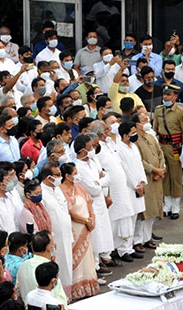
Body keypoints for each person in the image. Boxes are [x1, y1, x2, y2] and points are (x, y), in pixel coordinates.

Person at [71, 134, 112, 273]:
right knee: (94, 235)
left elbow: (106, 176)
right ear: (82, 151)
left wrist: (99, 181)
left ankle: (101, 259)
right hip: (91, 204)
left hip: (100, 202)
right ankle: (94, 266)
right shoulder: (78, 167)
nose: (93, 150)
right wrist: (100, 181)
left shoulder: (92, 161)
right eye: (89, 147)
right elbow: (93, 189)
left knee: (102, 231)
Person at [57, 162, 99, 298]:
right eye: (75, 173)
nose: (77, 175)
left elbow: (89, 204)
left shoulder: (80, 188)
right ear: (67, 176)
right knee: (75, 257)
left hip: (86, 228)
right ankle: (75, 289)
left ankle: (88, 286)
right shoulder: (61, 191)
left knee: (87, 257)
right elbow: (70, 212)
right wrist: (85, 221)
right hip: (75, 227)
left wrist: (92, 218)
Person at [98, 116, 136, 263]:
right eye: (106, 129)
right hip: (111, 190)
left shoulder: (110, 144)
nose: (108, 131)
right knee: (112, 222)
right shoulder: (99, 148)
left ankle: (122, 248)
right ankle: (108, 252)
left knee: (123, 218)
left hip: (122, 188)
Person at [37, 165, 73, 297]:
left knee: (67, 263)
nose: (60, 177)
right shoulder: (42, 192)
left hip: (66, 233)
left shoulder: (57, 188)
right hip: (54, 237)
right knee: (58, 265)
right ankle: (58, 294)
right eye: (57, 175)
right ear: (48, 178)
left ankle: (68, 294)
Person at [114, 122, 146, 260]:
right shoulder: (119, 149)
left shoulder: (134, 146)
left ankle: (130, 246)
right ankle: (123, 249)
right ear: (125, 135)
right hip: (128, 188)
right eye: (132, 132)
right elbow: (125, 170)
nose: (135, 134)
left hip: (139, 186)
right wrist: (135, 186)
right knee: (127, 219)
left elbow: (139, 165)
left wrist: (142, 182)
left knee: (134, 218)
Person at [154, 85, 183, 220]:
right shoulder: (158, 110)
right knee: (164, 175)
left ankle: (176, 205)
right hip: (162, 145)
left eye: (169, 94)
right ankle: (166, 204)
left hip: (174, 147)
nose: (166, 97)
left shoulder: (180, 112)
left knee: (175, 176)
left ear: (175, 96)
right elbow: (156, 128)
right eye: (164, 94)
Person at [132, 112, 165, 252]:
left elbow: (160, 154)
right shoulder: (135, 141)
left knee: (154, 209)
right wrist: (154, 170)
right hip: (146, 179)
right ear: (137, 124)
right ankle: (138, 240)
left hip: (157, 179)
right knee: (144, 212)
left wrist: (161, 169)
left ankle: (147, 238)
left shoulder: (151, 137)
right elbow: (140, 161)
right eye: (144, 119)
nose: (148, 121)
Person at [16, 231, 67, 306]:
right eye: (52, 244)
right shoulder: (49, 270)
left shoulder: (23, 266)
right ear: (49, 248)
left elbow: (18, 291)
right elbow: (60, 300)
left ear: (32, 248)